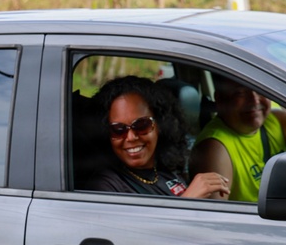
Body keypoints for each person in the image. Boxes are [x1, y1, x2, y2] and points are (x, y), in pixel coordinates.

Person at [81, 76, 230, 198]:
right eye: (118, 129)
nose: (131, 137)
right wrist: (188, 200)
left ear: (160, 125)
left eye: (141, 125)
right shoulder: (105, 187)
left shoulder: (164, 168)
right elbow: (128, 234)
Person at [190, 76, 286, 202]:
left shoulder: (272, 122)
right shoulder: (215, 148)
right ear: (220, 99)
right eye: (241, 93)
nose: (255, 100)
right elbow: (215, 216)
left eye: (261, 90)